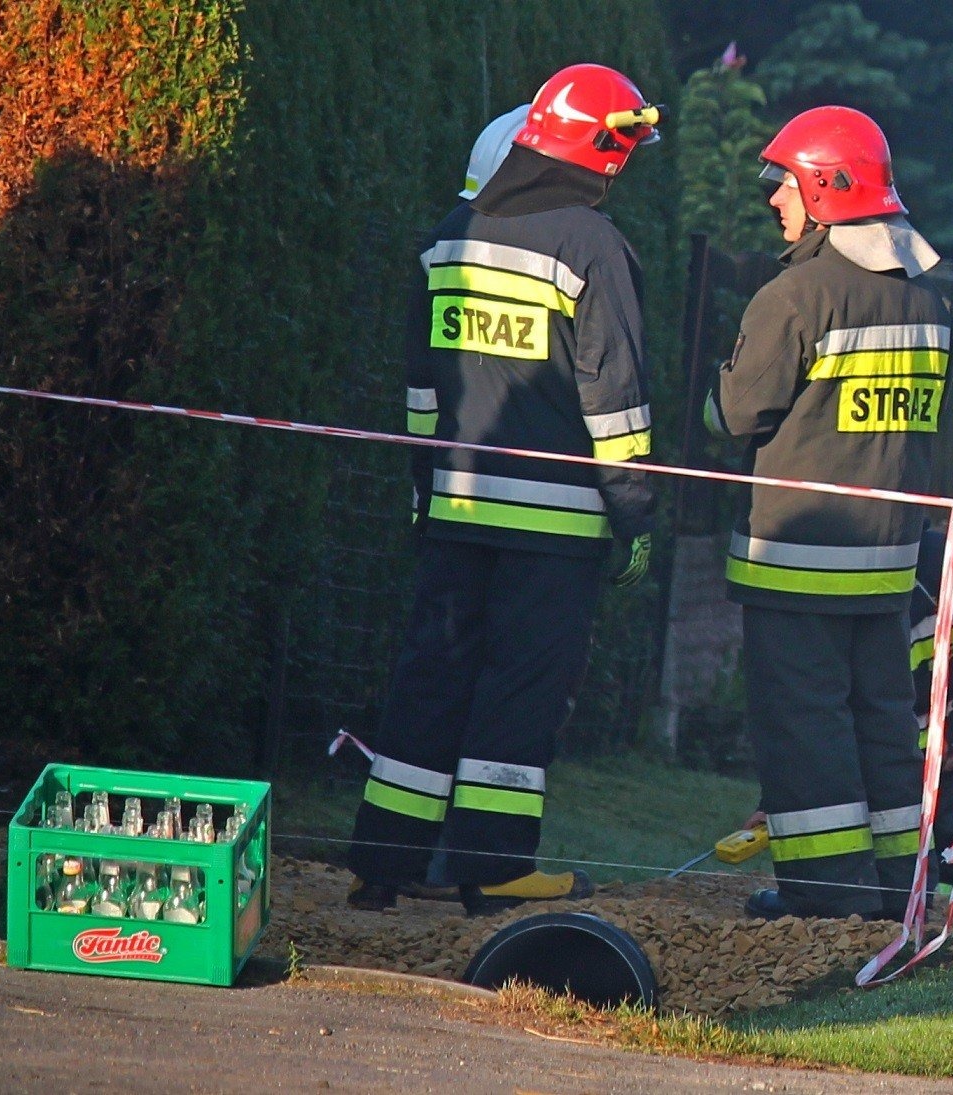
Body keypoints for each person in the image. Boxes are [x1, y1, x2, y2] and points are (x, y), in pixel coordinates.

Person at [348, 64, 661, 917]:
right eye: (622, 147)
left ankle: (385, 858)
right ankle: (493, 866)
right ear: (592, 145)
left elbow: (419, 392)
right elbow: (615, 397)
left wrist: (425, 489)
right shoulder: (590, 243)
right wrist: (632, 517)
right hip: (556, 526)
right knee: (521, 686)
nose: (622, 166)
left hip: (453, 508)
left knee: (431, 674)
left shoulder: (449, 233)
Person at [706, 105, 952, 920]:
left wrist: (711, 397)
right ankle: (895, 890)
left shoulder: (796, 295)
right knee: (883, 723)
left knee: (803, 728)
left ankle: (823, 895)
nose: (773, 198)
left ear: (821, 188)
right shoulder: (927, 304)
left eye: (783, 182)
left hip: (797, 560)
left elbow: (739, 415)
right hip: (885, 565)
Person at [743, 525, 953, 888]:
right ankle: (874, 911)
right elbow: (817, 712)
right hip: (885, 733)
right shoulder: (830, 604)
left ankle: (950, 921)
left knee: (952, 843)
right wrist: (782, 796)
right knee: (881, 840)